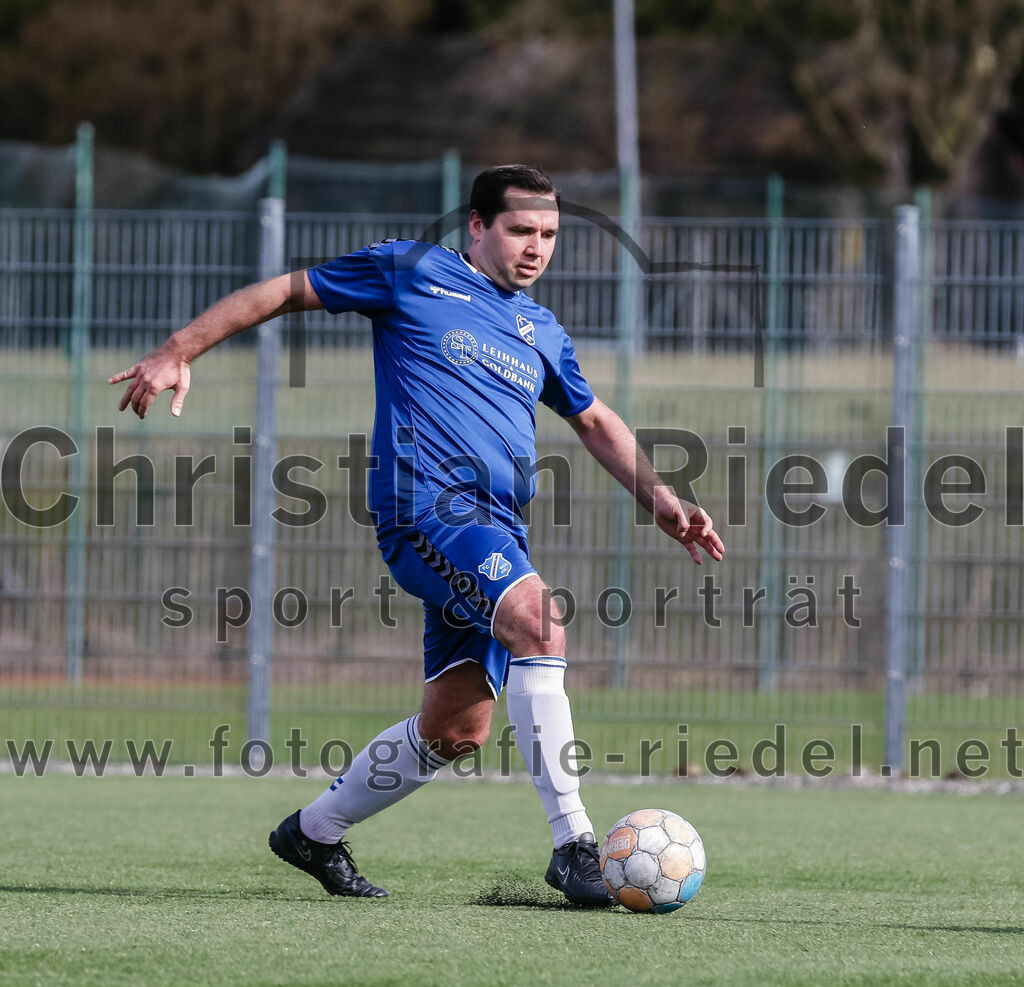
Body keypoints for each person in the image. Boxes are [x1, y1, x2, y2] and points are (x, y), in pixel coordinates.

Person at [110, 164, 724, 906]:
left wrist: (659, 496)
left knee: (456, 728)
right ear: (476, 225)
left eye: (550, 235)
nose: (536, 248)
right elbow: (282, 291)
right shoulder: (411, 270)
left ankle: (313, 831)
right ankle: (574, 845)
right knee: (540, 620)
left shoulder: (541, 331)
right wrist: (181, 347)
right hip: (426, 512)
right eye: (521, 230)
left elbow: (592, 420)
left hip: (496, 532)